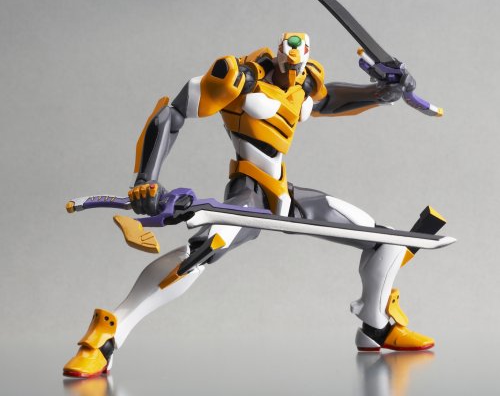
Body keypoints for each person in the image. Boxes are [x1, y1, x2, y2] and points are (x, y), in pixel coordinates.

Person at [63, 33, 433, 378]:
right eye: (288, 63)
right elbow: (171, 114)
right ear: (278, 54)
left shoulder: (305, 83)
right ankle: (108, 336)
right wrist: (146, 179)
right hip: (249, 194)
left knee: (387, 241)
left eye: (300, 65)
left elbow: (329, 100)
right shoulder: (238, 77)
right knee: (202, 249)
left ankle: (375, 324)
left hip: (284, 194)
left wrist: (381, 92)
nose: (293, 71)